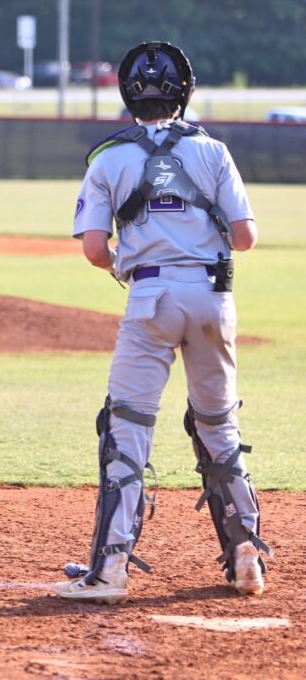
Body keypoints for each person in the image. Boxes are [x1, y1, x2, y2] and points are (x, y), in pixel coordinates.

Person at [54, 42, 270, 604]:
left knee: (126, 426)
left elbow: (95, 250)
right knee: (218, 424)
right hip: (213, 296)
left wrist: (132, 255)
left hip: (150, 296)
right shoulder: (213, 151)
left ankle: (110, 571)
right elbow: (244, 238)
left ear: (128, 96)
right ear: (185, 93)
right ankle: (246, 553)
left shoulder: (107, 159)